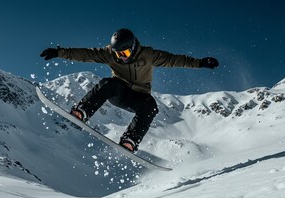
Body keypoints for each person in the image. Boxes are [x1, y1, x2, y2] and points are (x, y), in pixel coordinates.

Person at [40, 28, 219, 152]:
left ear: (133, 47)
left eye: (124, 54)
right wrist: (59, 52)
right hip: (120, 92)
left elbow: (174, 59)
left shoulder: (148, 55)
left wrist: (200, 63)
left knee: (151, 106)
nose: (121, 58)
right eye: (117, 54)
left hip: (139, 97)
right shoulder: (109, 53)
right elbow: (86, 54)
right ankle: (82, 112)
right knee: (108, 83)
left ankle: (130, 140)